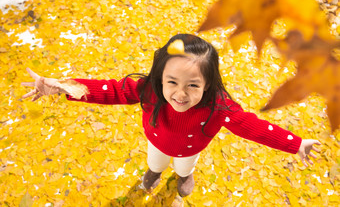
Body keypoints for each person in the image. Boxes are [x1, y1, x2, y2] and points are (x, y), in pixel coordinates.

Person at [22, 34, 321, 197]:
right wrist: (63, 87)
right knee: (155, 162)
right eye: (172, 83)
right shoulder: (149, 91)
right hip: (157, 141)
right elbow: (109, 90)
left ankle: (183, 176)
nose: (180, 94)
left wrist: (296, 144)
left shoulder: (219, 107)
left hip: (191, 149)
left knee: (184, 166)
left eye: (193, 86)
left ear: (208, 85)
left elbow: (254, 127)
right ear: (160, 77)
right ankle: (154, 173)